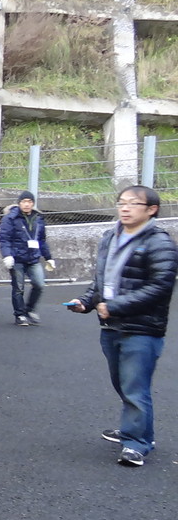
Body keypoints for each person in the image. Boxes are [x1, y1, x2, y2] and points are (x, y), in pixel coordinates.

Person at [69, 185, 176, 467]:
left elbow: (160, 286)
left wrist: (116, 306)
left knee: (134, 387)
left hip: (142, 329)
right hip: (111, 326)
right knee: (123, 384)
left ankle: (136, 444)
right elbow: (102, 280)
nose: (125, 208)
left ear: (151, 209)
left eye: (133, 203)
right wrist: (85, 301)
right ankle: (138, 430)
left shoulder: (159, 242)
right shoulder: (110, 236)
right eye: (121, 202)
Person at [0, 190, 54, 326]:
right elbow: (4, 239)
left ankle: (29, 309)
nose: (27, 204)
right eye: (24, 202)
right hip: (16, 258)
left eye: (29, 202)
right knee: (18, 288)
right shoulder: (10, 218)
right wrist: (7, 255)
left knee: (39, 284)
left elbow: (41, 240)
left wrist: (48, 257)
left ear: (33, 203)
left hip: (33, 257)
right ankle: (20, 315)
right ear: (19, 203)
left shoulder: (38, 219)